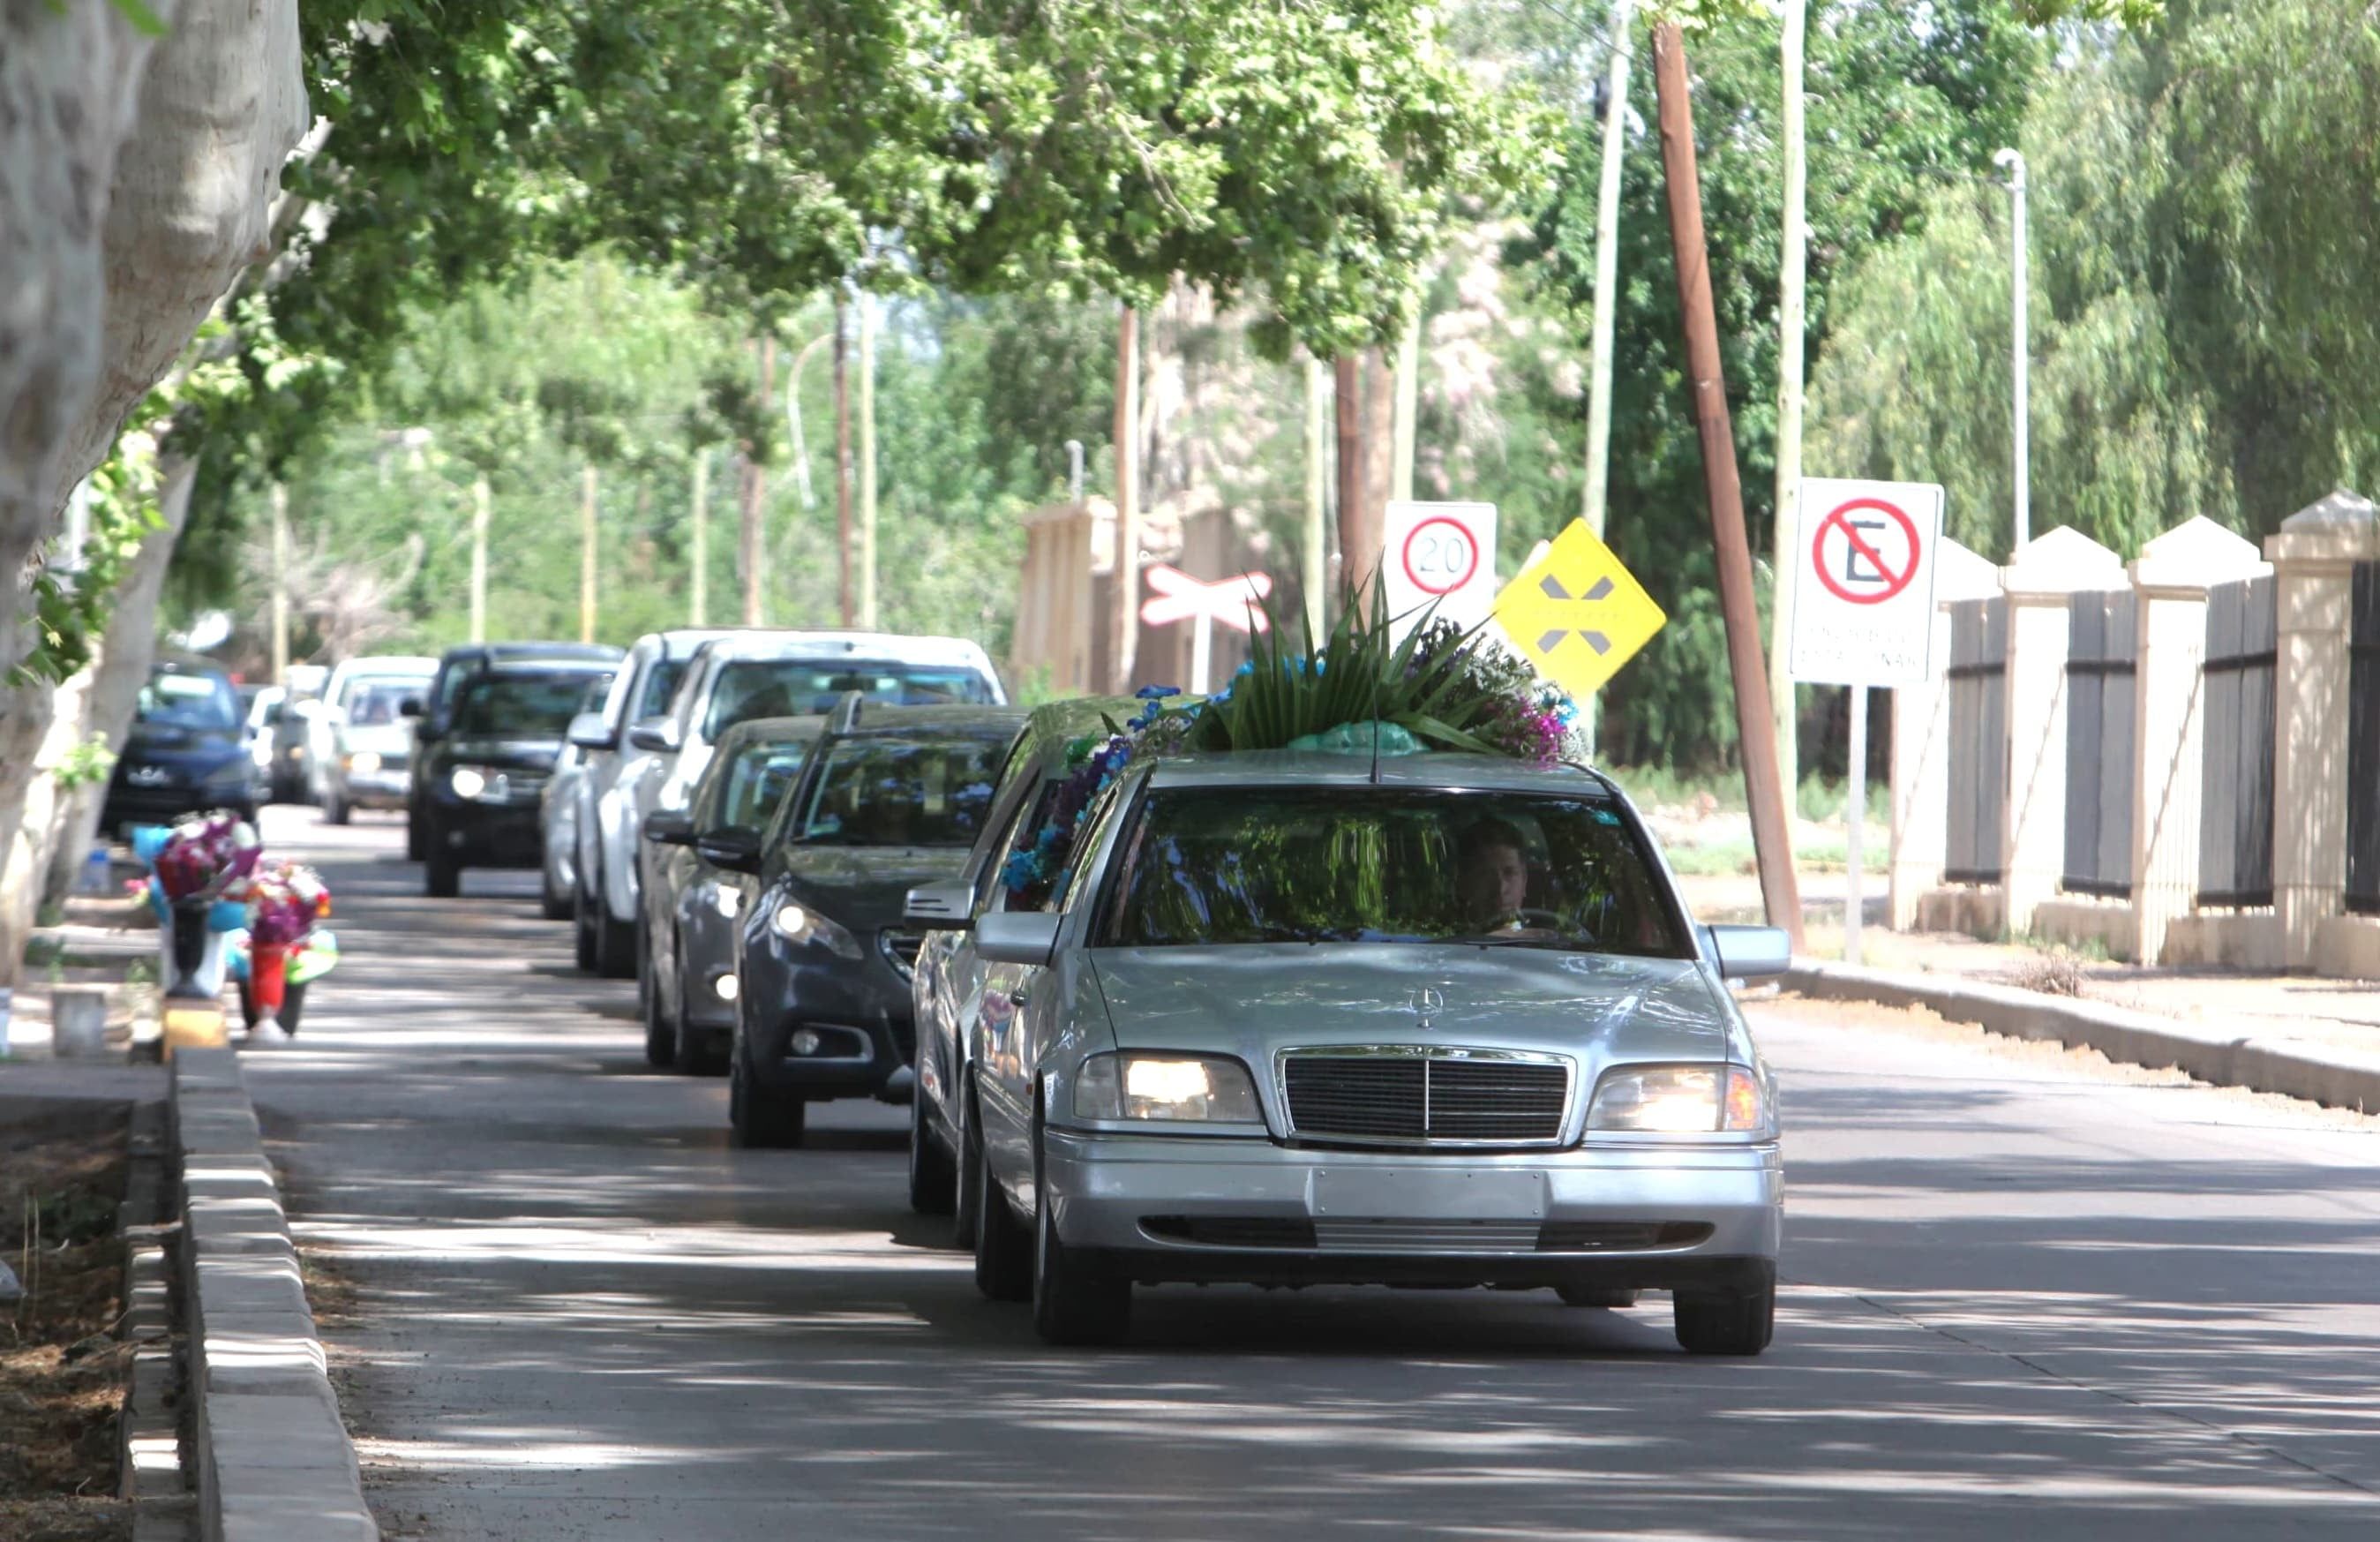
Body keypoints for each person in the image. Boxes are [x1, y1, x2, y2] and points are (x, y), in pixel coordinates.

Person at [1455, 817, 1534, 930]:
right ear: (1463, 883)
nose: (1500, 889)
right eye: (1486, 875)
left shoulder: (1547, 942)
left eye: (1510, 873)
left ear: (1524, 880)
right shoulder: (1441, 942)